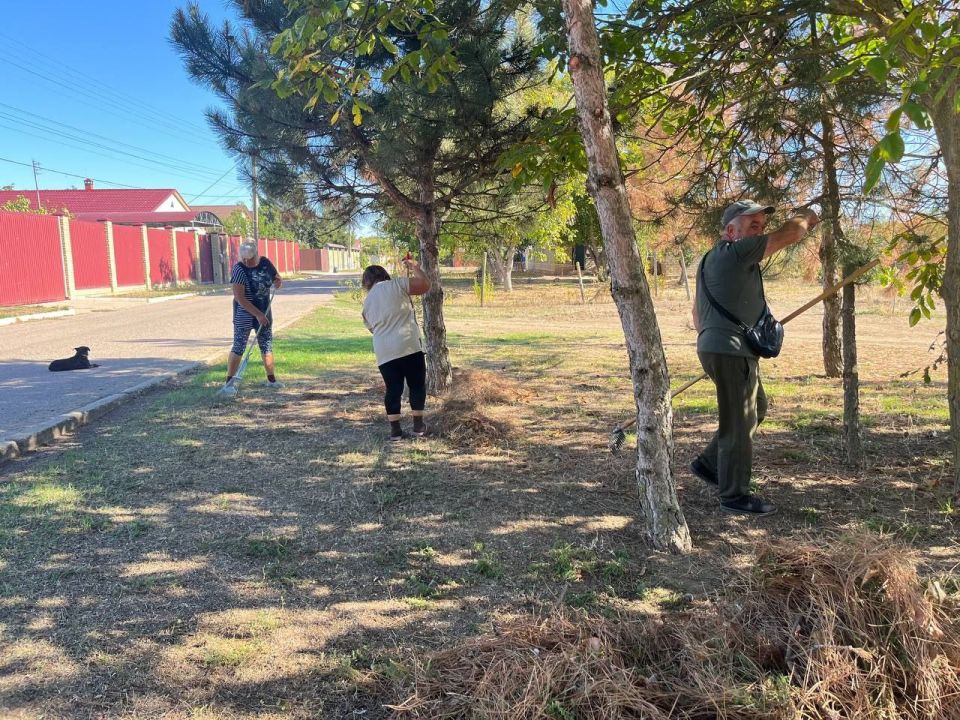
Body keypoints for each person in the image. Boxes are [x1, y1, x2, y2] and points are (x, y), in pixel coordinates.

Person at [691, 200, 819, 516]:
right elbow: (791, 234)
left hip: (718, 347)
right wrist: (806, 216)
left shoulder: (710, 260)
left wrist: (714, 343)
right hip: (730, 350)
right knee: (740, 422)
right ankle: (734, 495)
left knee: (756, 407)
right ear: (730, 231)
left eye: (761, 226)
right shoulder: (738, 251)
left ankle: (710, 464)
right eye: (752, 226)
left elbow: (696, 312)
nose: (759, 232)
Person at [361, 258, 431, 441]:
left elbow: (372, 329)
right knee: (416, 385)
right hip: (408, 345)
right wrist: (415, 267)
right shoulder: (398, 284)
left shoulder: (366, 303)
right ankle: (418, 426)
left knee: (393, 389)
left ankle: (395, 431)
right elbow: (425, 285)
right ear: (385, 275)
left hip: (384, 351)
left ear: (366, 283)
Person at [225, 241, 283, 389]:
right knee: (239, 346)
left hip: (264, 310)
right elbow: (240, 298)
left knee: (266, 345)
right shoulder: (239, 269)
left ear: (256, 254)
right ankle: (229, 383)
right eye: (244, 259)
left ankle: (271, 381)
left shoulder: (265, 263)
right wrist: (257, 314)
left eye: (249, 259)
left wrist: (278, 281)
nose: (246, 262)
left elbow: (276, 277)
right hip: (244, 313)